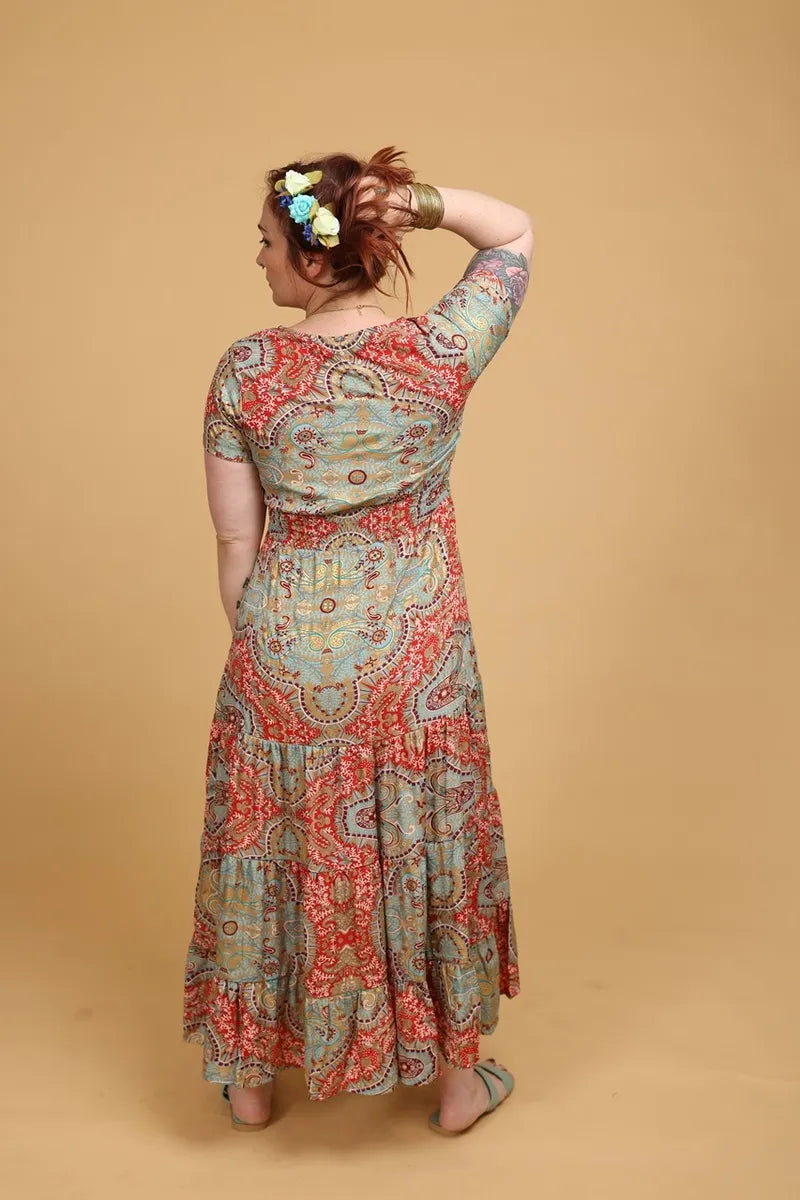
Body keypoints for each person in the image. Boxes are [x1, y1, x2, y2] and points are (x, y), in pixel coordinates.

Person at [182, 145, 534, 1136]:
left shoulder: (247, 369)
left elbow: (235, 541)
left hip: (281, 656)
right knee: (430, 848)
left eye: (266, 242)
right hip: (418, 665)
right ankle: (457, 1087)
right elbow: (512, 233)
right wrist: (416, 202)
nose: (258, 258)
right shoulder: (439, 350)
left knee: (266, 851)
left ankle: (251, 1084)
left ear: (309, 257)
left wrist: (270, 652)